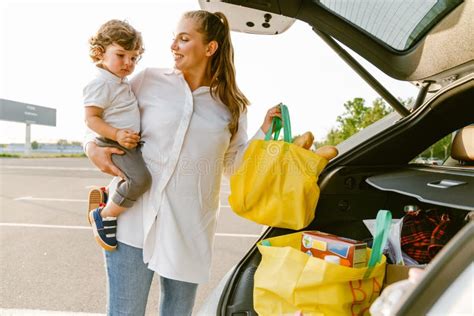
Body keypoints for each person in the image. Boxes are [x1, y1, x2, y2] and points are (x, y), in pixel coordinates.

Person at [85, 10, 281, 316]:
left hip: (188, 230)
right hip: (133, 223)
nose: (173, 45)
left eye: (184, 38)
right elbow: (104, 110)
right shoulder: (148, 80)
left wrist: (265, 130)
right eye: (174, 37)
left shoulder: (231, 106)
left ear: (210, 48)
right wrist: (90, 147)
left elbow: (233, 165)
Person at [83, 19, 151, 251]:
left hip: (123, 140)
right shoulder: (101, 83)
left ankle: (109, 192)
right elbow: (91, 119)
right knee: (141, 180)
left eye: (133, 57)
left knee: (133, 175)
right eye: (121, 55)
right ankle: (104, 215)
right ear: (100, 52)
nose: (128, 63)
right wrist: (117, 134)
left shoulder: (119, 81)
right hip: (113, 141)